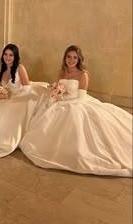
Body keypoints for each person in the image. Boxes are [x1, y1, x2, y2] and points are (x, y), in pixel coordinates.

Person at [20, 45, 132, 177]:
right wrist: (55, 95)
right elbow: (57, 87)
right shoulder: (62, 72)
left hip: (76, 103)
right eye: (69, 57)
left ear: (79, 59)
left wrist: (63, 102)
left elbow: (81, 98)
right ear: (65, 58)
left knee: (74, 121)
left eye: (75, 57)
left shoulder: (83, 74)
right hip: (61, 101)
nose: (71, 60)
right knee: (45, 115)